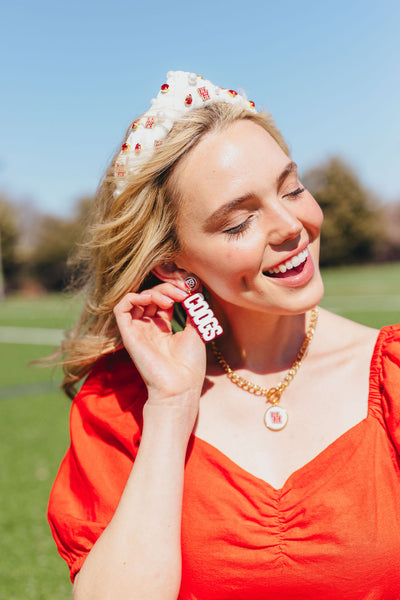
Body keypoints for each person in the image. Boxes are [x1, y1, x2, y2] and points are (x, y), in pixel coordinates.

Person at [48, 71, 400, 600]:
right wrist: (170, 406)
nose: (290, 226)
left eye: (293, 188)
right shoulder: (121, 406)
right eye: (239, 223)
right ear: (171, 266)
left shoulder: (391, 374)